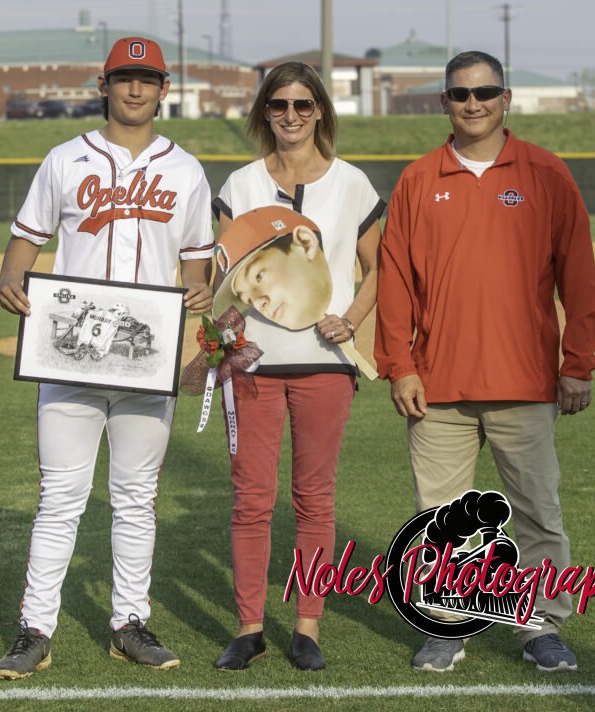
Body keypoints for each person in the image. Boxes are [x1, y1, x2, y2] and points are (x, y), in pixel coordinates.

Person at [0, 36, 214, 679]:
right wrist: (10, 279)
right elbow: (25, 239)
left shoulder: (187, 170)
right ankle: (35, 628)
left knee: (136, 495)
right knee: (60, 496)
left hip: (144, 358)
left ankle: (128, 622)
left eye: (148, 78)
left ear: (164, 88)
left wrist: (198, 290)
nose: (136, 88)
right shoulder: (65, 159)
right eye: (125, 77)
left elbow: (196, 264)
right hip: (70, 356)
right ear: (105, 83)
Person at [374, 51, 595, 673]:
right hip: (438, 383)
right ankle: (447, 625)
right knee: (441, 519)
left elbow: (578, 276)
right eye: (460, 94)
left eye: (485, 92)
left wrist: (578, 362)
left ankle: (540, 626)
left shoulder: (546, 173)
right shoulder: (420, 179)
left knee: (535, 512)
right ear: (444, 102)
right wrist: (400, 364)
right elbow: (394, 282)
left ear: (507, 98)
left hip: (524, 380)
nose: (473, 103)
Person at [211, 61, 385, 671]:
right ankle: (250, 627)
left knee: (314, 497)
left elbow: (380, 268)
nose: (290, 116)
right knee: (251, 499)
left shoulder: (353, 184)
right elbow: (225, 283)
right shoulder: (239, 185)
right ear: (264, 112)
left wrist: (353, 318)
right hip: (253, 365)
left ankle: (308, 626)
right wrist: (223, 338)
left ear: (320, 112)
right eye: (279, 105)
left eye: (303, 105)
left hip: (325, 366)